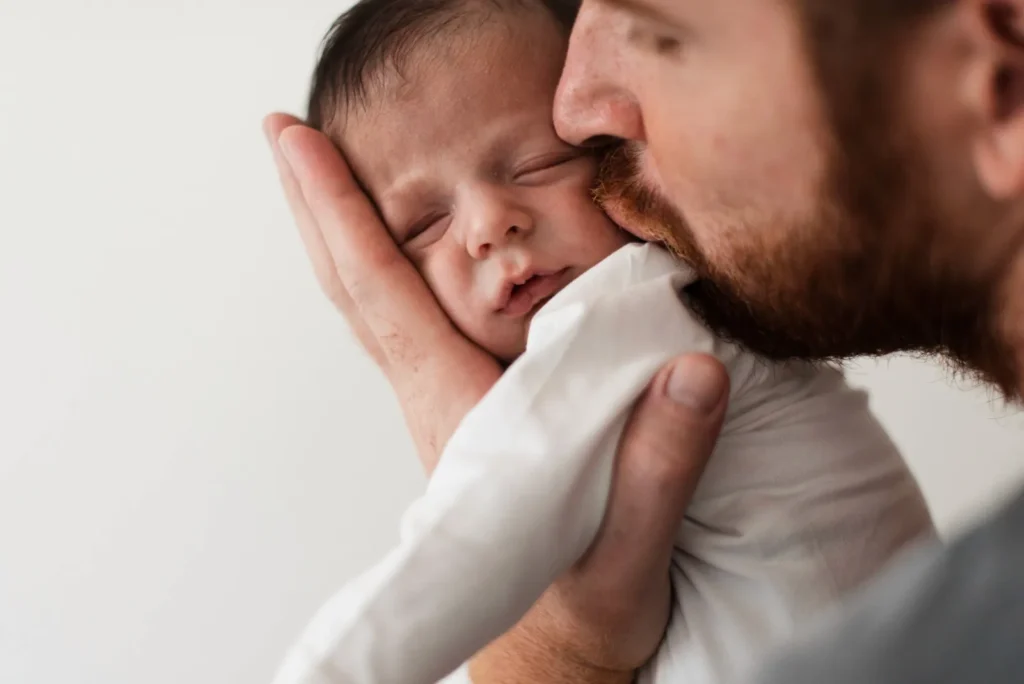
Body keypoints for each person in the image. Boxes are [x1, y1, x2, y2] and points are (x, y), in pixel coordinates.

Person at [264, 0, 1024, 681]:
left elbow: (482, 524)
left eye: (541, 162)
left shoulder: (632, 299)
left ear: (1001, 80)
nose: (489, 225)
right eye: (421, 228)